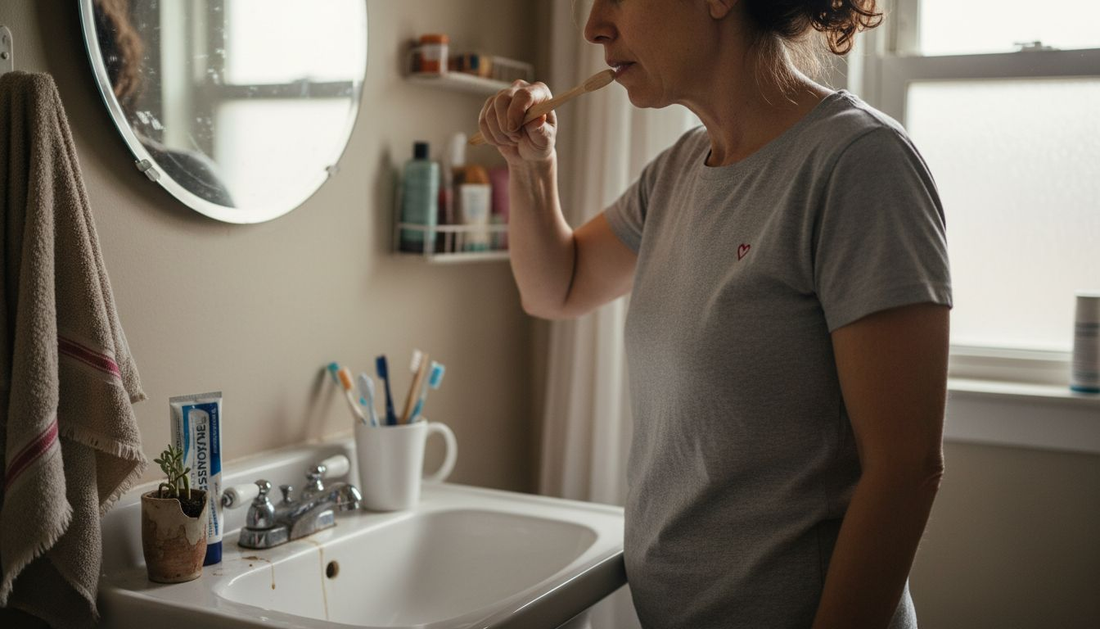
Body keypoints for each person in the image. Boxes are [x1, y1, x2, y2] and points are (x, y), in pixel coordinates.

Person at [479, 0, 952, 627]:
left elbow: (905, 470)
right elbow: (556, 289)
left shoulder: (859, 164)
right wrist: (531, 164)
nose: (594, 26)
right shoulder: (676, 172)